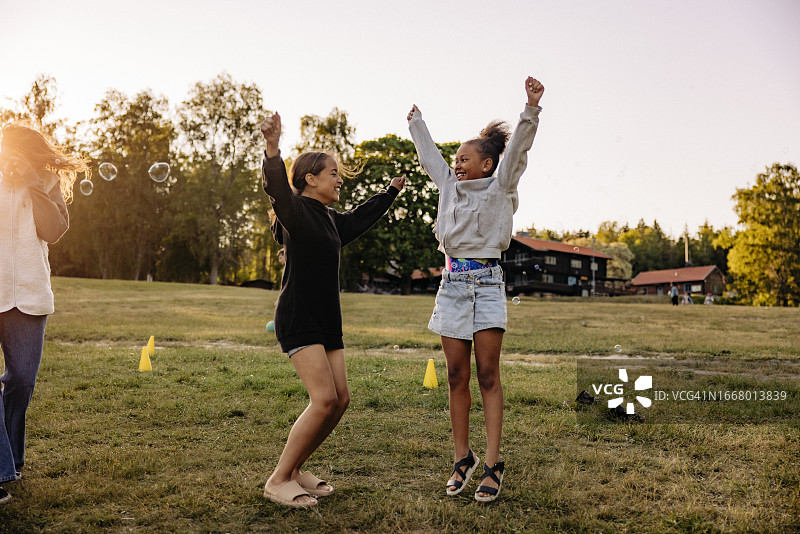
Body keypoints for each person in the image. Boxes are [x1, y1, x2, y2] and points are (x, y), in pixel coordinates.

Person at [407, 76, 544, 502]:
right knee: (455, 375)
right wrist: (417, 124)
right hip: (452, 285)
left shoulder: (500, 186)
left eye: (465, 159)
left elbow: (517, 152)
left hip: (486, 284)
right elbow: (430, 158)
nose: (458, 164)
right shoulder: (449, 187)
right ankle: (461, 458)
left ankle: (492, 463)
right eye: (456, 159)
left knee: (487, 374)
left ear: (487, 165)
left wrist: (530, 109)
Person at [259, 112, 405, 508]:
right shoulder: (295, 212)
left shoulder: (331, 220)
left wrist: (389, 192)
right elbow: (276, 187)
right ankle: (277, 479)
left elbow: (361, 218)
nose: (340, 180)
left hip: (327, 321)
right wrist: (273, 148)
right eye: (333, 173)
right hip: (299, 318)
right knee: (323, 399)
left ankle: (297, 470)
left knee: (340, 400)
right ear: (311, 179)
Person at [0, 123, 88, 505]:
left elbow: (52, 231)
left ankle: (11, 458)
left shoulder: (46, 182)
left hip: (29, 295)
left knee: (21, 379)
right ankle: (2, 464)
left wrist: (33, 180)